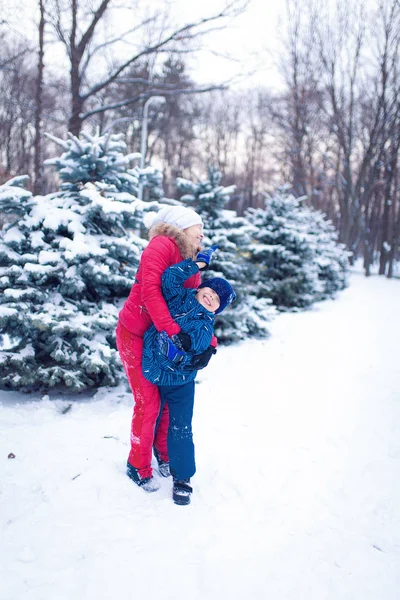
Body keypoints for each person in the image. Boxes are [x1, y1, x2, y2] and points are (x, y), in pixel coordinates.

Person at [116, 206, 217, 492]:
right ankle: (137, 465)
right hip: (136, 334)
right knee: (149, 403)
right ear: (184, 228)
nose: (202, 237)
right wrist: (174, 334)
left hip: (161, 343)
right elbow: (150, 293)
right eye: (199, 232)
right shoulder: (160, 245)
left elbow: (196, 306)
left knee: (168, 404)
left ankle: (164, 453)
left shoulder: (190, 258)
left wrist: (209, 344)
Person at [142, 257, 236, 505]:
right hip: (153, 371)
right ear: (201, 287)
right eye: (211, 291)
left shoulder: (205, 327)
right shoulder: (178, 297)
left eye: (217, 300)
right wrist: (196, 266)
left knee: (180, 427)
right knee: (150, 418)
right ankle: (147, 458)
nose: (211, 297)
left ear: (216, 310)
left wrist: (184, 349)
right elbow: (168, 278)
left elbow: (197, 351)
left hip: (181, 382)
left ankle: (182, 478)